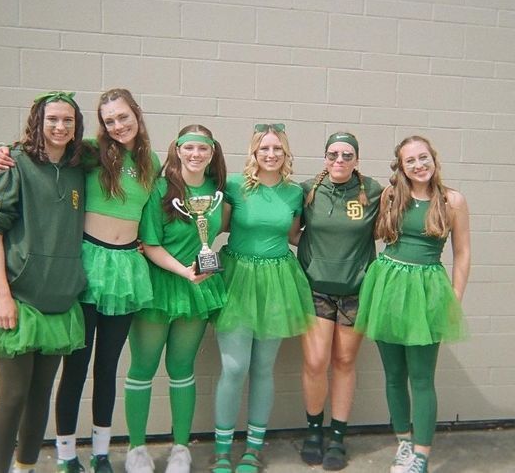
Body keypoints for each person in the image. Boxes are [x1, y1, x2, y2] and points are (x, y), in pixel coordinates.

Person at [0, 88, 159, 473]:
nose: (117, 125)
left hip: (126, 270)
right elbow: (43, 145)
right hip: (87, 266)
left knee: (108, 367)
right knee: (76, 367)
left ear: (136, 113)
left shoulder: (150, 163)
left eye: (123, 117)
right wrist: (2, 151)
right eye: (109, 120)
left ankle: (101, 452)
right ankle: (66, 454)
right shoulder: (89, 152)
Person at [0, 91, 87, 473]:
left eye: (68, 120)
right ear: (37, 122)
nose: (60, 127)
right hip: (18, 298)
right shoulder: (13, 163)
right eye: (52, 120)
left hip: (60, 301)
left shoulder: (83, 166)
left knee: (39, 396)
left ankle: (25, 467)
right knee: (13, 395)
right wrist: (2, 295)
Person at [353, 135, 470, 473]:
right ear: (401, 167)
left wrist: (454, 300)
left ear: (434, 159)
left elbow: (462, 255)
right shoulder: (392, 195)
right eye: (410, 160)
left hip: (426, 290)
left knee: (421, 378)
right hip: (387, 285)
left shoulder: (453, 201)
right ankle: (403, 443)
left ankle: (421, 454)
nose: (418, 165)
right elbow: (372, 233)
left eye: (423, 157)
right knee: (393, 374)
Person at [211, 124, 315, 473]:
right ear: (253, 153)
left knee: (262, 368)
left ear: (286, 155)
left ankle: (253, 450)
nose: (271, 155)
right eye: (264, 149)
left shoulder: (294, 193)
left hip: (277, 280)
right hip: (238, 277)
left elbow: (295, 236)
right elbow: (216, 227)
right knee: (234, 366)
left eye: (278, 149)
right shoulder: (236, 187)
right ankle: (223, 450)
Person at [124, 125, 228, 473]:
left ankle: (180, 448)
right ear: (178, 150)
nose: (196, 154)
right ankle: (137, 449)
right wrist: (183, 271)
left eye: (203, 148)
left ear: (212, 153)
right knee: (142, 368)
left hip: (196, 291)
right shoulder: (159, 189)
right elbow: (150, 244)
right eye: (189, 148)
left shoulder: (218, 193)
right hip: (159, 286)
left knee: (182, 369)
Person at [292, 132, 382, 471]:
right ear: (324, 158)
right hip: (315, 289)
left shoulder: (373, 191)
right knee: (316, 362)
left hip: (355, 290)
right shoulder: (307, 190)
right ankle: (314, 431)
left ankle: (338, 435)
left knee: (344, 361)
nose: (339, 161)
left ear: (357, 159)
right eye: (333, 154)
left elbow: (389, 225)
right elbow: (292, 233)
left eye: (347, 155)